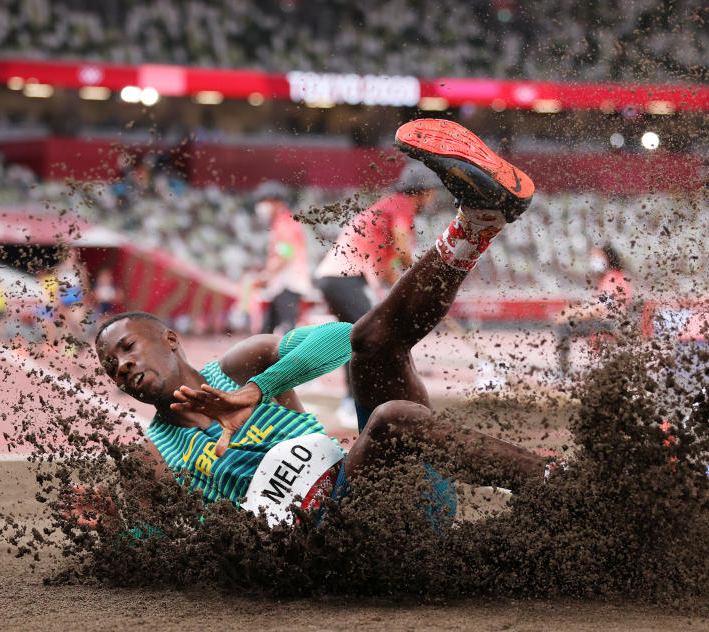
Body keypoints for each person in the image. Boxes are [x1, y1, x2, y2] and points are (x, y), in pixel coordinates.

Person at [89, 119, 546, 530]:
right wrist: (115, 532)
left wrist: (258, 389)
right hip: (331, 543)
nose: (121, 366)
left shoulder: (243, 365)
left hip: (384, 488)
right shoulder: (149, 458)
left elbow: (339, 341)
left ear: (170, 339)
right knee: (392, 418)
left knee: (373, 344)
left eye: (127, 347)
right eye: (110, 366)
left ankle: (479, 221)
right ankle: (553, 484)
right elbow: (160, 547)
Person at [314, 161, 440, 427]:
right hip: (344, 278)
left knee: (358, 339)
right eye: (431, 190)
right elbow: (404, 251)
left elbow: (391, 269)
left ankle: (360, 401)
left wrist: (410, 289)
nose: (434, 196)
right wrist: (421, 280)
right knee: (368, 339)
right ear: (420, 191)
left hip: (341, 278)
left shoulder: (391, 208)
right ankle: (358, 403)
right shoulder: (401, 204)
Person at [556, 243, 633, 376]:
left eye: (597, 257)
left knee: (564, 326)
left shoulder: (612, 279)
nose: (593, 261)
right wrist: (573, 311)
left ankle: (562, 373)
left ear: (607, 258)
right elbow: (596, 306)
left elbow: (599, 309)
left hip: (608, 325)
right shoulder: (616, 277)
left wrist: (571, 314)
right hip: (610, 324)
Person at [251, 180, 312, 335]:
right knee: (269, 328)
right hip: (283, 284)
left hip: (288, 284)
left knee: (286, 328)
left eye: (266, 201)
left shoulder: (284, 224)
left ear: (277, 202)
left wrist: (266, 275)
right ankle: (261, 356)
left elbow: (285, 254)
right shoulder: (282, 222)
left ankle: (288, 358)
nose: (262, 206)